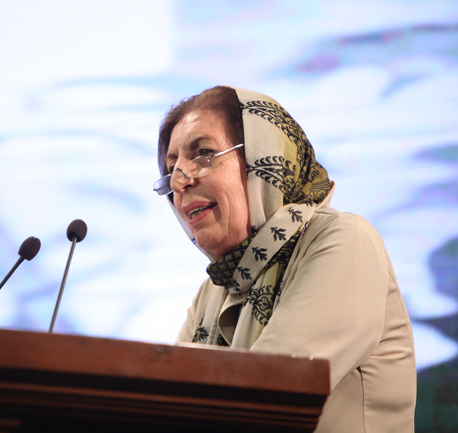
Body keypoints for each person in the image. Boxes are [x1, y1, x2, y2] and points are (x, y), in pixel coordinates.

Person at [154, 86, 416, 432]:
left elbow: (267, 394)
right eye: (171, 168)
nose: (179, 181)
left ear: (266, 159)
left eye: (204, 154)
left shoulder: (343, 239)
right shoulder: (213, 292)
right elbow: (170, 407)